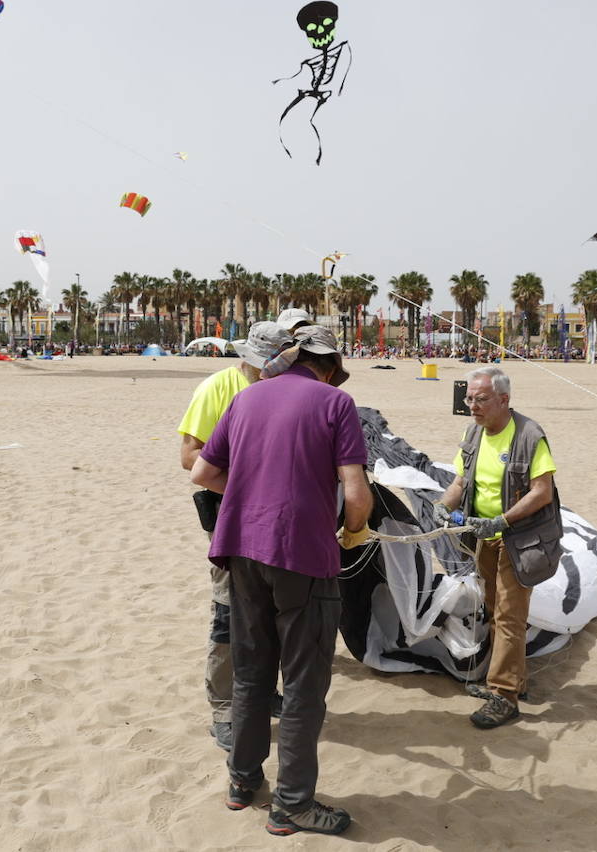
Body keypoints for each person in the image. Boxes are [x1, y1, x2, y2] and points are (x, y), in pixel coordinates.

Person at [191, 324, 370, 837]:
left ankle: (242, 781)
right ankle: (292, 804)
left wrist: (251, 494)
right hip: (302, 556)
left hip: (242, 552)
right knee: (304, 685)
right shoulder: (337, 404)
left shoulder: (247, 399)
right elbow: (355, 496)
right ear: (330, 366)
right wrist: (351, 531)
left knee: (250, 672)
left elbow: (202, 472)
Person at [178, 322, 292, 752]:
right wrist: (253, 487)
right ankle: (224, 709)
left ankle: (262, 692)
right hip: (232, 522)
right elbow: (190, 457)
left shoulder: (284, 390)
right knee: (228, 613)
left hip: (278, 523)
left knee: (272, 612)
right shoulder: (218, 388)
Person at [435, 366, 561, 729]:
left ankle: (504, 695)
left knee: (509, 615)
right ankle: (510, 680)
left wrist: (503, 522)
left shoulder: (529, 435)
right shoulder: (473, 433)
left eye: (481, 399)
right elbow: (460, 480)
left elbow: (542, 491)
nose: (471, 405)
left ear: (504, 400)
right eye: (469, 398)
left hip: (521, 539)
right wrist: (444, 505)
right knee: (494, 609)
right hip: (484, 538)